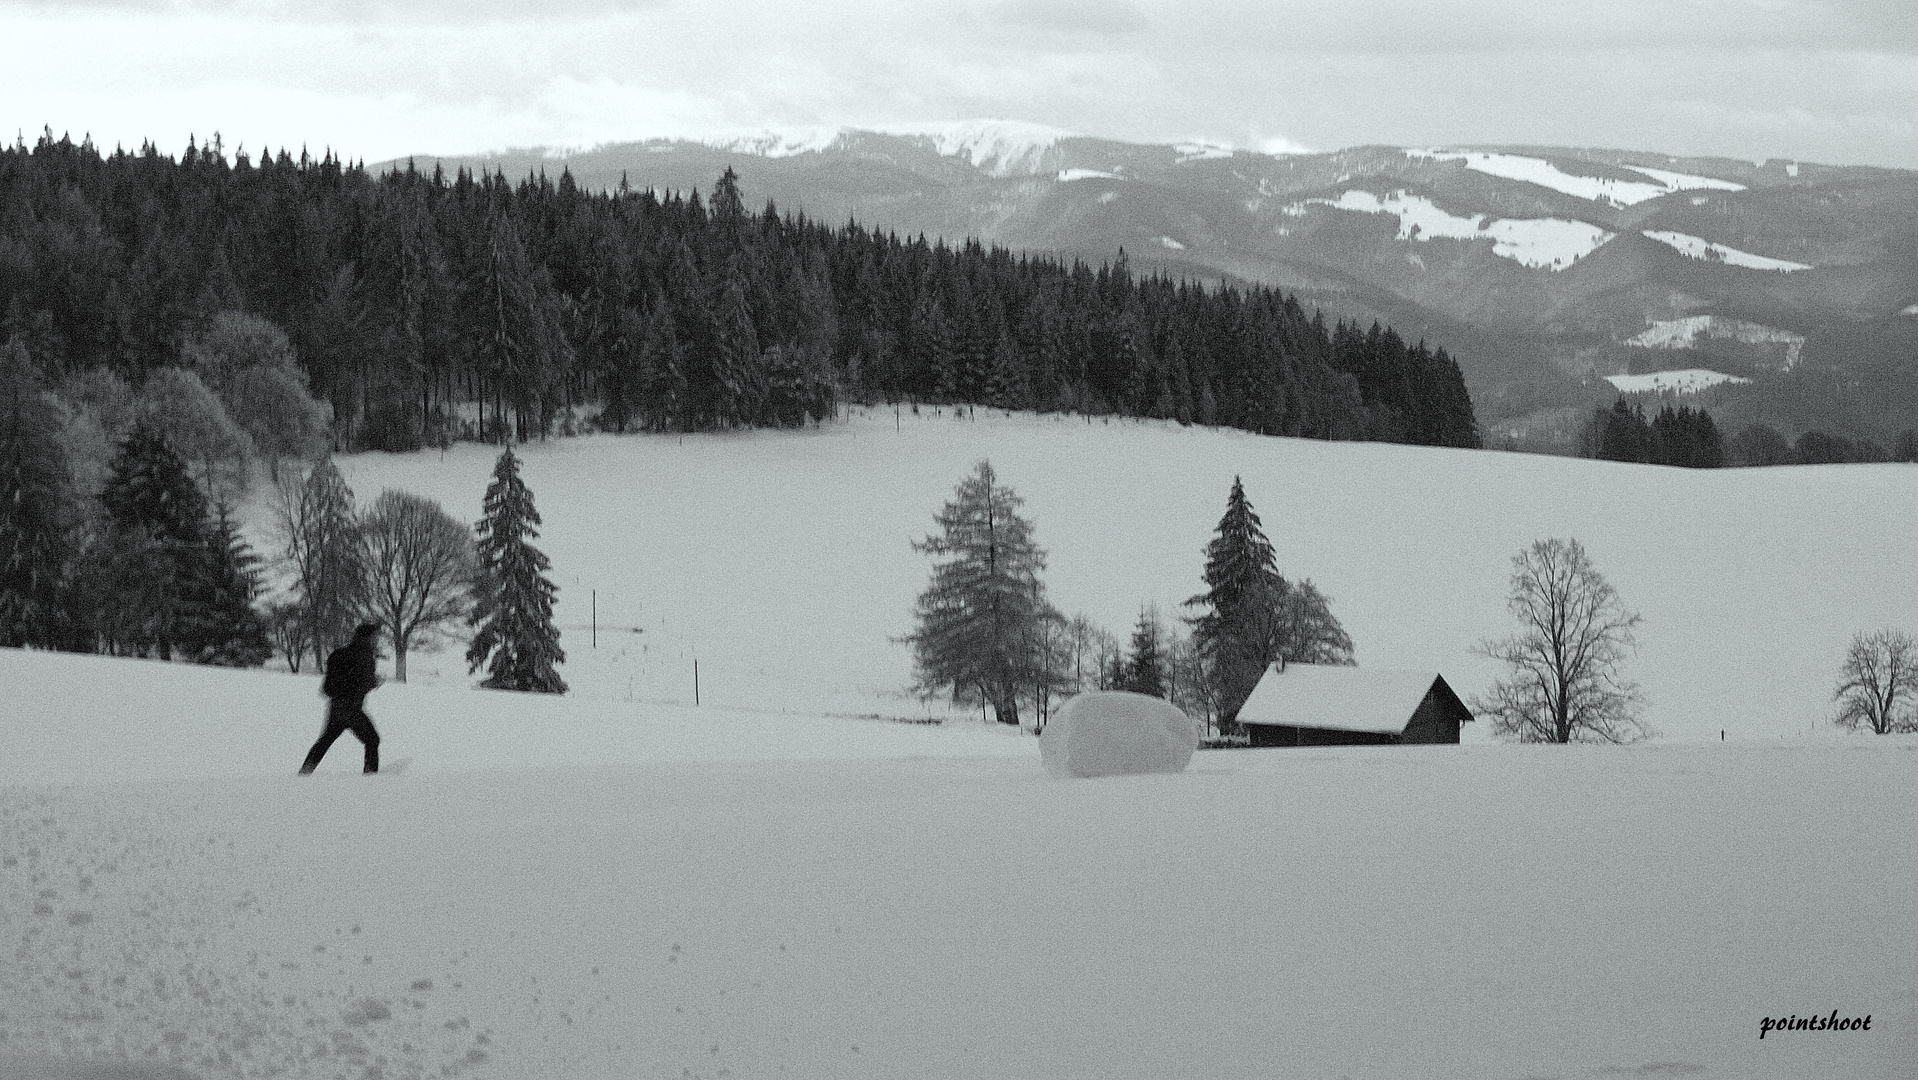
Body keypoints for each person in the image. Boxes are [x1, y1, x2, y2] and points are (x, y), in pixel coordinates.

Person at [300, 623, 383, 774]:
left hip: (336, 705)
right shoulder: (365, 655)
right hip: (351, 708)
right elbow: (363, 683)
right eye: (375, 636)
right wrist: (375, 682)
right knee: (372, 740)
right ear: (368, 637)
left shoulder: (343, 653)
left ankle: (304, 773)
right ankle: (371, 779)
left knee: (324, 741)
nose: (376, 640)